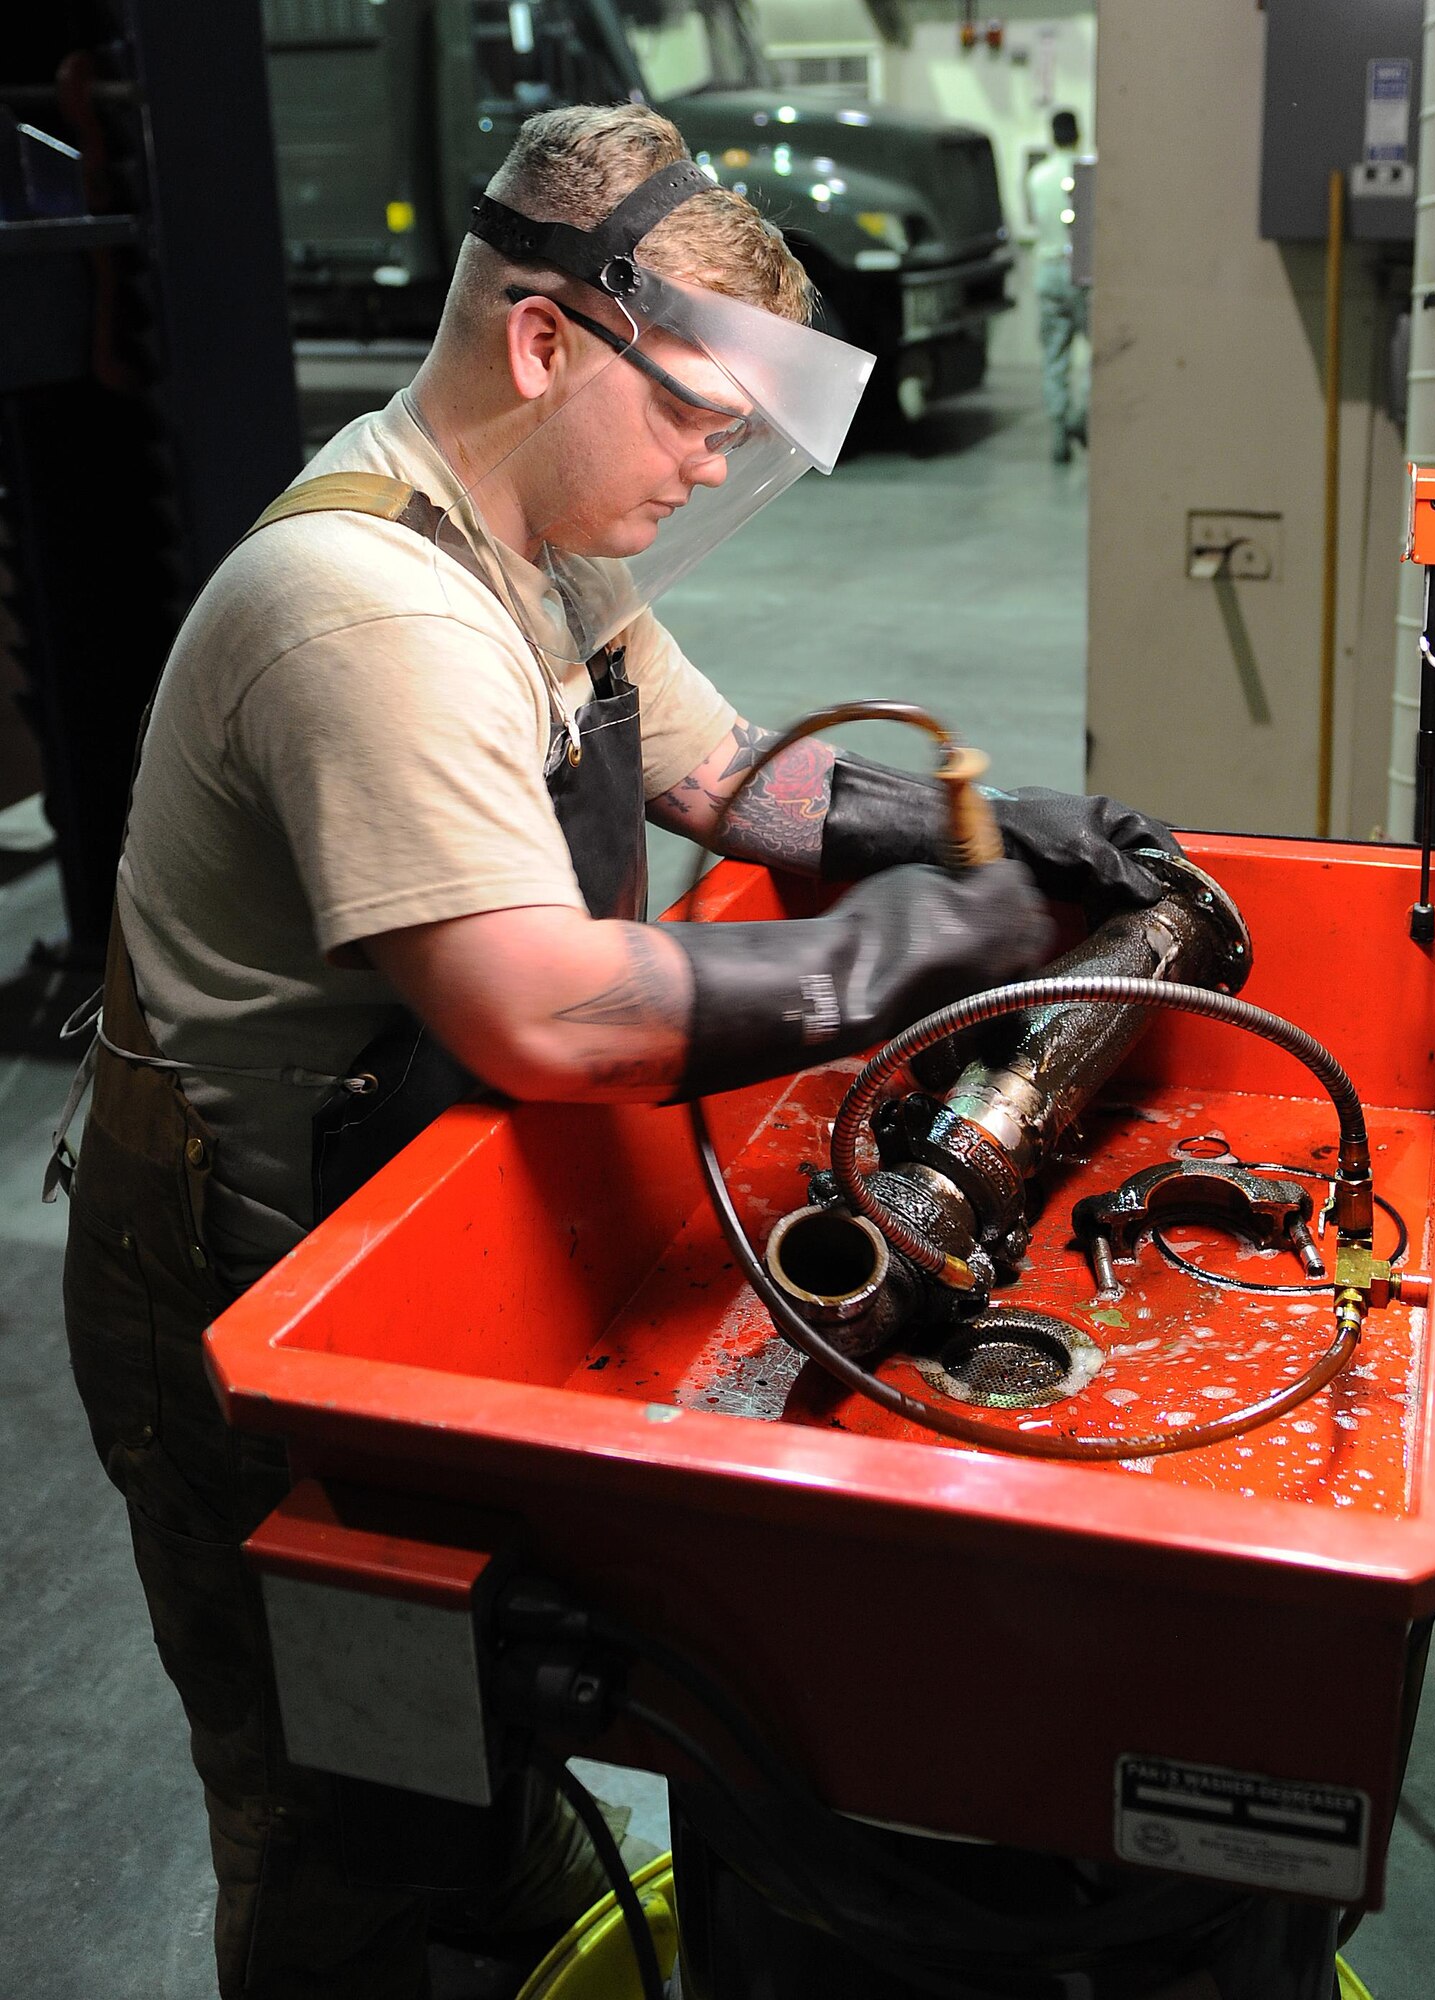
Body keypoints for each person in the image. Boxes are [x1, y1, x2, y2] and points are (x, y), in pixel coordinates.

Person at [57, 103, 1176, 1999]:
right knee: (360, 1803)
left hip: (405, 1220)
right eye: (693, 414)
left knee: (490, 1730)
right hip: (249, 1297)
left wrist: (980, 829)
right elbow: (549, 1011)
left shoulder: (543, 549)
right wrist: (887, 955)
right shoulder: (364, 607)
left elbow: (724, 771)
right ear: (543, 340)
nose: (711, 459)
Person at [1026, 108, 1090, 464]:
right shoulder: (1087, 173)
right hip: (1080, 271)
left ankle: (1059, 431)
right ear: (1077, 134)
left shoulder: (1037, 176)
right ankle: (1084, 420)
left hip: (1047, 270)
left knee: (1054, 355)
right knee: (1094, 353)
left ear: (1052, 136)